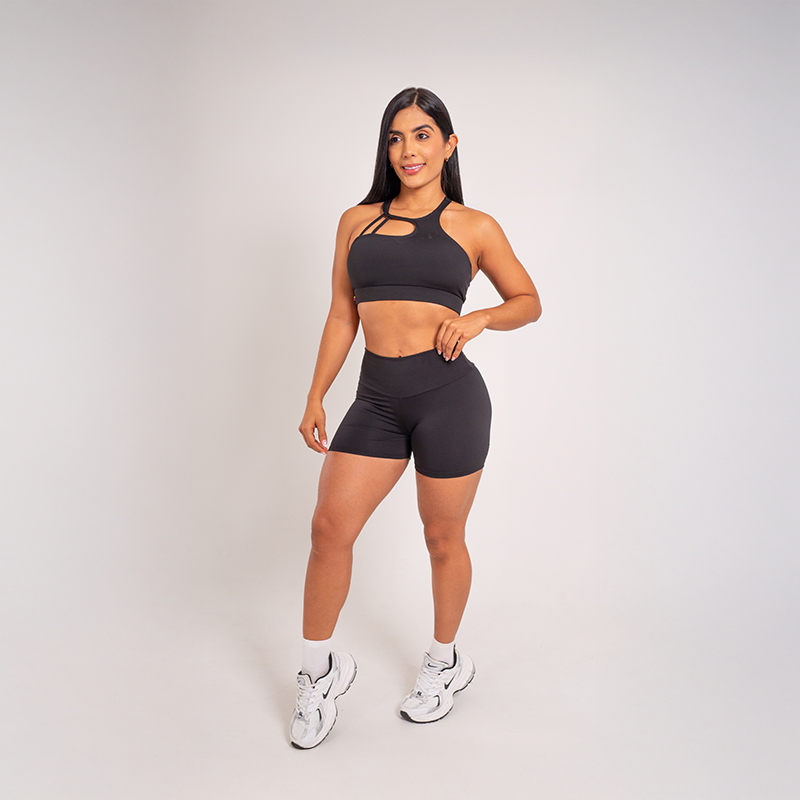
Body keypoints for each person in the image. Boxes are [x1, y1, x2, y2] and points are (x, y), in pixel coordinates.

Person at [290, 87, 541, 749]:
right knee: (328, 528)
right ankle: (318, 673)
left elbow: (528, 300)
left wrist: (481, 317)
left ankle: (444, 661)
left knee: (442, 538)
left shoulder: (474, 226)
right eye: (396, 137)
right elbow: (342, 314)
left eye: (423, 135)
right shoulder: (356, 221)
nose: (408, 150)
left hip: (449, 398)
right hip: (375, 399)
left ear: (449, 145)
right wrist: (316, 395)